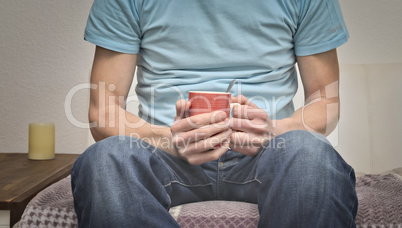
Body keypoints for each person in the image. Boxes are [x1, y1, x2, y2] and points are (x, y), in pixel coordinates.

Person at [71, 0, 358, 227]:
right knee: (104, 159)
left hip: (270, 152)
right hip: (166, 155)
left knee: (312, 153)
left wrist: (273, 131)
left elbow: (325, 101)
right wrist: (169, 139)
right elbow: (103, 110)